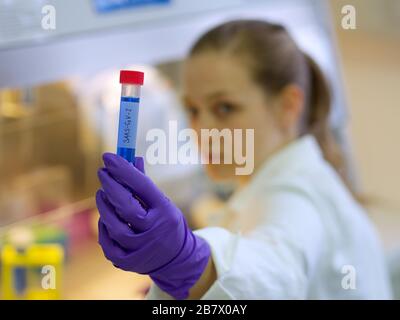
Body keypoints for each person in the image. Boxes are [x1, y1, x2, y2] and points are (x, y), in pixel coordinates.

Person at [95, 20, 392, 299]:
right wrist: (185, 285)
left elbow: (275, 270)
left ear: (288, 106)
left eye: (224, 108)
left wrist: (187, 263)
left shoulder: (295, 196)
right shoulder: (287, 176)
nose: (203, 131)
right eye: (193, 110)